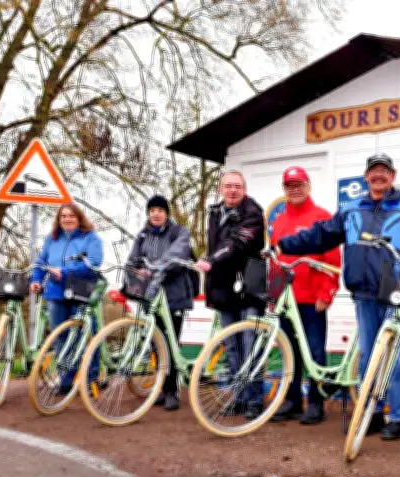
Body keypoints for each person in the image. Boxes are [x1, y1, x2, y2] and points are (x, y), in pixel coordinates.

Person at [277, 152, 400, 440]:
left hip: (396, 293)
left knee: (396, 358)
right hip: (363, 293)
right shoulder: (351, 209)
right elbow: (322, 234)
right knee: (367, 357)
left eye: (384, 171)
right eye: (373, 171)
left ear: (393, 175)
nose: (378, 175)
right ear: (366, 177)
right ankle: (372, 412)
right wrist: (283, 245)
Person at [269, 166, 341, 425]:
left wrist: (326, 293)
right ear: (284, 190)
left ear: (308, 186)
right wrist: (273, 296)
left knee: (314, 353)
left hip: (313, 300)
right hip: (286, 302)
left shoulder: (322, 217)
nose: (295, 189)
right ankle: (291, 401)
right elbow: (276, 262)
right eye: (290, 186)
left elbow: (333, 261)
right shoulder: (278, 221)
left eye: (299, 184)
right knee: (289, 352)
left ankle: (316, 403)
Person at [196, 170, 266, 419]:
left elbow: (238, 243)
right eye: (228, 186)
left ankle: (255, 400)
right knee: (232, 347)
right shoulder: (214, 212)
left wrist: (212, 260)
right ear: (220, 189)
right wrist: (207, 255)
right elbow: (216, 245)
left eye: (237, 186)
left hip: (249, 286)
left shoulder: (253, 212)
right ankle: (239, 396)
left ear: (244, 189)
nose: (233, 190)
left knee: (250, 345)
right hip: (225, 288)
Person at [126, 195, 195, 411]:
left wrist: (156, 266)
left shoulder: (179, 232)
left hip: (173, 294)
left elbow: (179, 252)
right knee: (156, 344)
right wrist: (133, 270)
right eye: (152, 210)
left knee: (171, 342)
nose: (156, 213)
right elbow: (133, 258)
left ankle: (172, 391)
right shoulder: (143, 234)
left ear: (167, 213)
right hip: (150, 294)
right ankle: (162, 388)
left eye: (160, 210)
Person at [30, 203, 103, 393]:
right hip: (55, 292)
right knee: (60, 337)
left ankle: (91, 378)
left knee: (85, 335)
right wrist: (37, 279)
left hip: (82, 291)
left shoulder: (90, 238)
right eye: (63, 216)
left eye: (71, 215)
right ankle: (66, 379)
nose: (67, 219)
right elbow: (41, 262)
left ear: (79, 218)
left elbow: (94, 263)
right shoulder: (52, 238)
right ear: (59, 219)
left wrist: (65, 271)